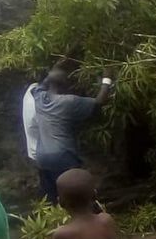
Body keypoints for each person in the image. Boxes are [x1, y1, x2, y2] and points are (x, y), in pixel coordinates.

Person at [32, 67, 113, 202]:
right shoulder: (69, 102)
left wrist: (63, 62)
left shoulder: (39, 97)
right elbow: (99, 102)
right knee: (74, 197)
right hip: (64, 157)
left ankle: (55, 220)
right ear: (66, 85)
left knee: (51, 197)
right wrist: (107, 79)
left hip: (42, 158)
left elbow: (46, 81)